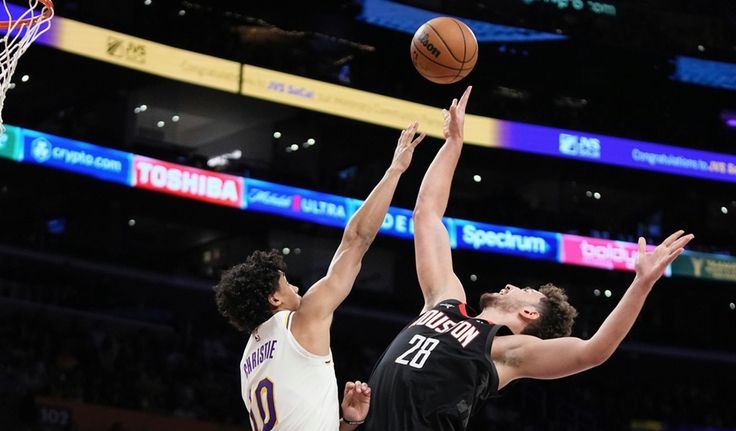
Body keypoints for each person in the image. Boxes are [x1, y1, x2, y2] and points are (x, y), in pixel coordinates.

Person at [362, 87, 694, 431]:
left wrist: (641, 284)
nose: (511, 284)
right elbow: (427, 215)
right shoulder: (444, 301)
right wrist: (454, 143)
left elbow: (592, 351)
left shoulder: (510, 351)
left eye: (525, 290)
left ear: (530, 313)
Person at [214, 122, 426, 430]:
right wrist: (395, 170)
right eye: (286, 283)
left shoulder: (249, 360)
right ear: (274, 298)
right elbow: (356, 239)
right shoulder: (301, 320)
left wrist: (345, 422)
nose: (297, 287)